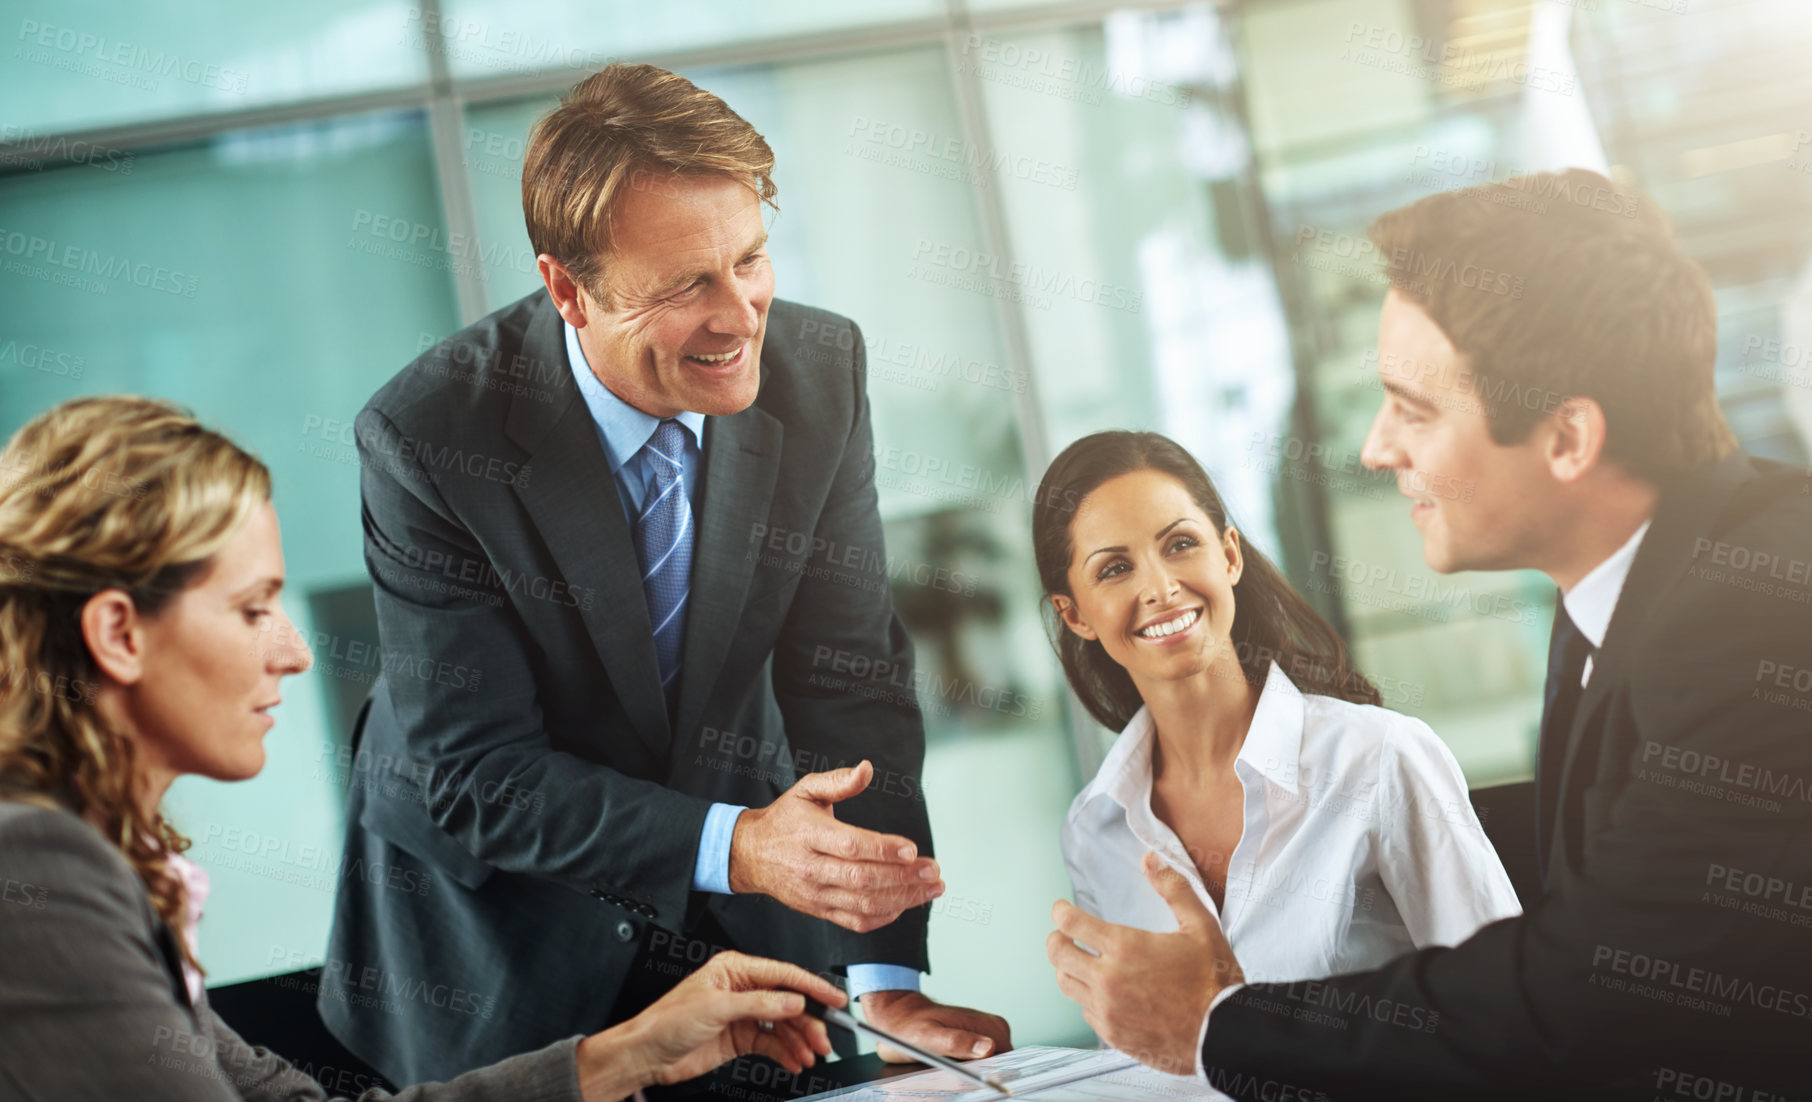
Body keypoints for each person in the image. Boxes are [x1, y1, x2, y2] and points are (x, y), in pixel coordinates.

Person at [1045, 169, 1812, 1098]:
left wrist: (1221, 1026)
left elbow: (1586, 1003)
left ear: (1569, 439)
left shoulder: (1749, 619)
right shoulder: (1616, 606)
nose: (1376, 448)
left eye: (1415, 410)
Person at [319, 61, 1008, 1086]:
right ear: (568, 289)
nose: (739, 315)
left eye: (751, 258)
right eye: (687, 284)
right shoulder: (430, 435)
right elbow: (476, 771)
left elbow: (850, 679)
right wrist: (740, 843)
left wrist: (884, 972)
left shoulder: (819, 373)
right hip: (503, 936)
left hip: (740, 911)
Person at [0, 395, 849, 1101]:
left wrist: (635, 1051)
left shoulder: (102, 860)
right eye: (254, 608)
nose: (295, 652)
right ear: (117, 631)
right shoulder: (39, 871)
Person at [1034, 431, 1518, 1001]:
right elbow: (1131, 1049)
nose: (1161, 588)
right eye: (1115, 569)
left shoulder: (1381, 759)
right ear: (1075, 615)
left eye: (1181, 544)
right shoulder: (1094, 826)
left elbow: (1506, 1010)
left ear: (1230, 556)